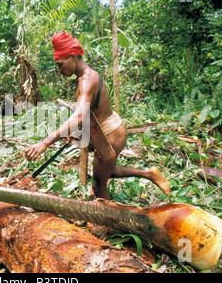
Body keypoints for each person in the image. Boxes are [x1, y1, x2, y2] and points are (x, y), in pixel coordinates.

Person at [25, 32, 170, 200]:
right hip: (102, 132)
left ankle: (110, 224)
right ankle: (149, 174)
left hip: (111, 135)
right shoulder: (82, 78)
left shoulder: (87, 80)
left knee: (99, 185)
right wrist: (75, 132)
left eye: (60, 64)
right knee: (107, 170)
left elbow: (79, 116)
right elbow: (86, 113)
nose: (59, 70)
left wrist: (45, 142)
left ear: (72, 57)